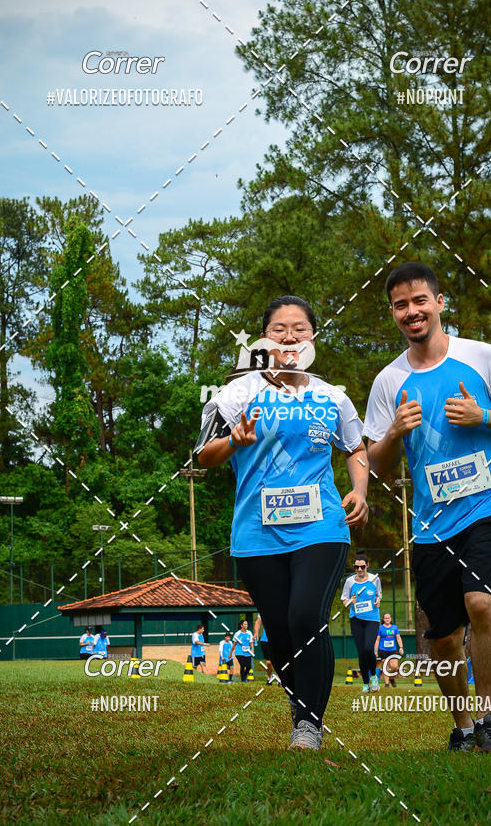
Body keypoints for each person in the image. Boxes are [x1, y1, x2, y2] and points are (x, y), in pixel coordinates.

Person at [365, 262, 491, 754]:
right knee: (442, 638)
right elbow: (376, 467)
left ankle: (489, 718)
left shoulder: (482, 356)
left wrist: (485, 416)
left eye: (419, 300)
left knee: (481, 602)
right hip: (431, 523)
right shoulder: (388, 381)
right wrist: (394, 434)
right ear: (393, 315)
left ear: (440, 303)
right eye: (400, 305)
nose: (411, 311)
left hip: (490, 501)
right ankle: (463, 726)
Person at [197, 295, 368, 750]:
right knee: (277, 630)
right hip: (256, 532)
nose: (290, 336)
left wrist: (360, 489)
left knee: (306, 615)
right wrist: (233, 442)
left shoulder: (331, 396)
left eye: (300, 328)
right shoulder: (235, 393)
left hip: (321, 526)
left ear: (313, 336)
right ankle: (299, 710)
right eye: (279, 329)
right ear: (263, 338)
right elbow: (204, 455)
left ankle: (310, 725)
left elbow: (355, 448)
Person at [341, 551, 382, 692]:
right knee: (361, 652)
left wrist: (378, 600)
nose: (359, 570)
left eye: (362, 567)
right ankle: (365, 684)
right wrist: (350, 602)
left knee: (368, 648)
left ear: (367, 566)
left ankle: (374, 677)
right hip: (356, 620)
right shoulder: (349, 581)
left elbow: (379, 595)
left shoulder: (375, 579)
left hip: (372, 619)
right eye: (356, 567)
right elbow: (344, 601)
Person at [375, 612, 404, 687]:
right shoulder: (380, 628)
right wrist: (375, 650)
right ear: (383, 619)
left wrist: (401, 647)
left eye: (388, 618)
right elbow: (377, 640)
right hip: (383, 650)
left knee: (394, 666)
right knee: (386, 667)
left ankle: (391, 678)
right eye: (386, 618)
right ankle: (387, 684)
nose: (387, 619)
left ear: (390, 619)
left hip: (392, 649)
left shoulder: (395, 627)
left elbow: (398, 638)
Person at [254, 613, 279, 685]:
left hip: (277, 640)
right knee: (269, 662)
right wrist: (256, 633)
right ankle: (269, 678)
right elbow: (258, 621)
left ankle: (279, 679)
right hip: (265, 640)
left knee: (278, 661)